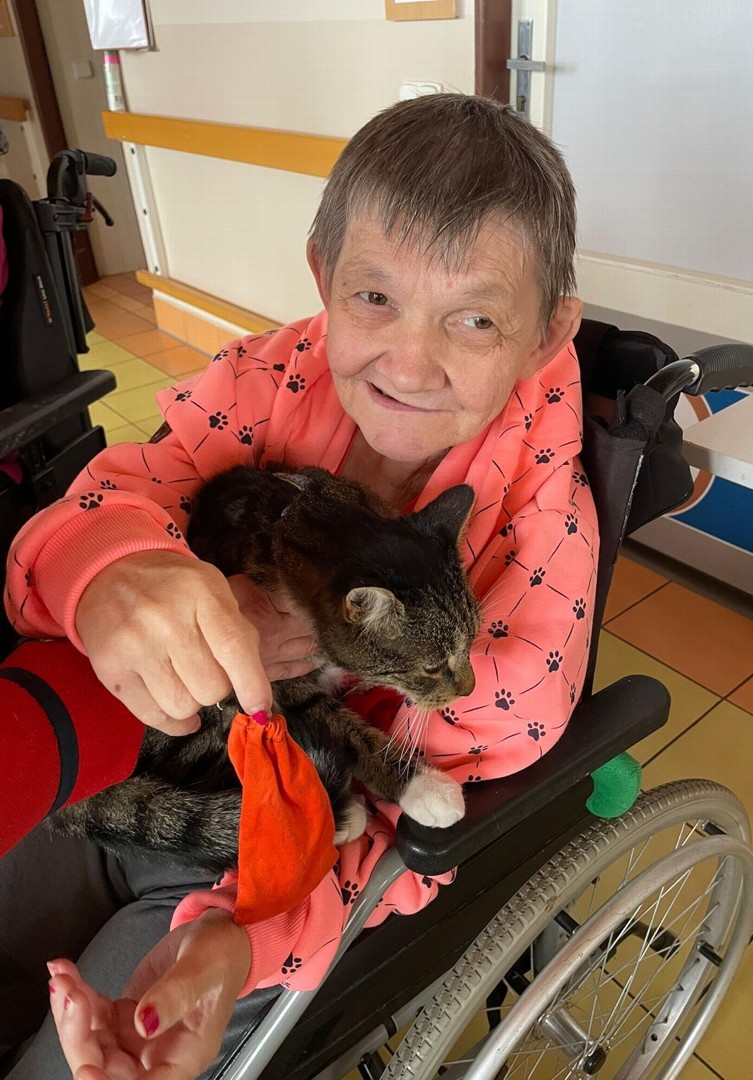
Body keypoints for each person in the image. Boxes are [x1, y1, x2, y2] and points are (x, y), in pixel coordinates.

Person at [1, 93, 598, 1079]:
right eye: (375, 299)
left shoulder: (535, 572)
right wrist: (109, 573)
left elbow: (407, 833)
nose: (410, 363)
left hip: (279, 868)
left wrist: (240, 936)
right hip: (137, 761)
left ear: (545, 335)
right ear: (323, 276)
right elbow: (109, 503)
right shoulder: (261, 383)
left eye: (476, 318)